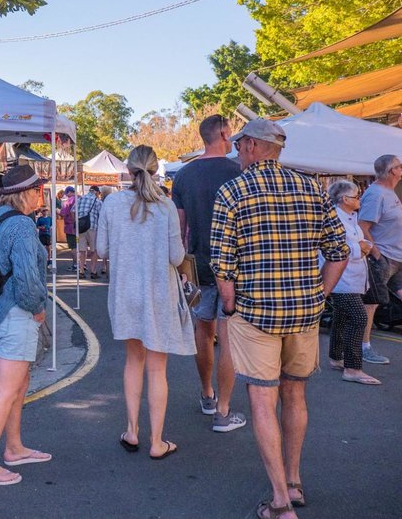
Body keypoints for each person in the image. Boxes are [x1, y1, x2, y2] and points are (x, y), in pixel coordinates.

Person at [211, 118, 348, 519]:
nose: (237, 152)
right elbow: (339, 251)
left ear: (253, 145)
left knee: (261, 398)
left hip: (256, 314)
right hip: (304, 313)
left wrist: (231, 306)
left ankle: (280, 501)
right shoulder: (311, 187)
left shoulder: (233, 190)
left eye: (240, 145)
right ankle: (294, 480)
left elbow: (222, 264)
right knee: (295, 395)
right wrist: (319, 295)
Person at [96, 145, 194, 460]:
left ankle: (132, 431)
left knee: (133, 361)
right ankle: (157, 441)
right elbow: (177, 257)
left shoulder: (111, 203)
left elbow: (101, 251)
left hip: (125, 292)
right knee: (157, 368)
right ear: (154, 170)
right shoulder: (165, 206)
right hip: (159, 293)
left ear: (128, 169)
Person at [0, 166, 50, 486]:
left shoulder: (0, 218)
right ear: (25, 194)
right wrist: (39, 308)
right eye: (37, 191)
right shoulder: (22, 226)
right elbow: (28, 280)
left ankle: (14, 448)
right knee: (6, 390)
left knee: (17, 385)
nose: (40, 196)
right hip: (16, 313)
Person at [170, 114, 246, 433]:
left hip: (199, 264)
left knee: (204, 332)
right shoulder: (239, 170)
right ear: (225, 134)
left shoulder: (184, 175)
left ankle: (206, 394)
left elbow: (179, 229)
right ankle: (224, 411)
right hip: (235, 265)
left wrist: (180, 268)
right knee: (228, 338)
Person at [326, 180, 380, 385]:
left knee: (342, 316)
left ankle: (336, 356)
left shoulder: (349, 217)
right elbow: (342, 248)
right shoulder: (336, 220)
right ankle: (352, 367)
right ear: (344, 199)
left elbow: (359, 244)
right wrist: (362, 247)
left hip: (349, 278)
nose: (359, 198)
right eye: (356, 195)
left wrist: (363, 245)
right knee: (358, 317)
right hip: (342, 278)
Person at [357, 153, 402, 365]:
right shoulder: (376, 194)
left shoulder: (389, 192)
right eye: (399, 166)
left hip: (396, 257)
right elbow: (362, 227)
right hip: (384, 257)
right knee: (371, 303)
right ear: (392, 170)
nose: (401, 169)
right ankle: (364, 347)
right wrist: (377, 255)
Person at [76, 185, 103, 279]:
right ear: (96, 192)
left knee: (82, 250)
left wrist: (76, 223)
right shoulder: (97, 201)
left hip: (81, 228)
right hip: (93, 227)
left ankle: (81, 271)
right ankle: (93, 271)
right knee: (94, 250)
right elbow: (102, 216)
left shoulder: (80, 199)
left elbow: (72, 211)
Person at [59, 186, 77, 264]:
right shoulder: (81, 199)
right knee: (80, 246)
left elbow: (62, 213)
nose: (66, 195)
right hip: (81, 227)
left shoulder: (68, 201)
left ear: (69, 192)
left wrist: (57, 211)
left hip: (70, 228)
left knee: (73, 246)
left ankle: (75, 264)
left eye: (66, 193)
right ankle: (83, 265)